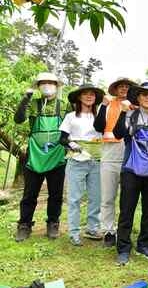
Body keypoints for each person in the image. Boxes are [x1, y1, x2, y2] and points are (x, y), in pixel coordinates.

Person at [113, 82, 148, 266]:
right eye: (144, 94)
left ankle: (144, 244)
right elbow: (118, 133)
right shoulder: (130, 115)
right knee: (127, 210)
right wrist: (122, 112)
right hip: (131, 170)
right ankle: (123, 249)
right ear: (138, 97)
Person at [14, 72, 67, 242]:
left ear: (56, 86)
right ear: (38, 86)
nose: (47, 85)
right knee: (30, 194)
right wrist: (26, 97)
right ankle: (24, 225)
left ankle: (53, 223)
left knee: (56, 194)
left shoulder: (65, 105)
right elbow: (18, 119)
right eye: (43, 83)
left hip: (57, 156)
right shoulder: (33, 104)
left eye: (50, 83)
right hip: (35, 156)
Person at [93, 77, 137, 247]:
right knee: (107, 196)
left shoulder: (137, 107)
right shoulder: (109, 104)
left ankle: (124, 231)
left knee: (127, 199)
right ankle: (109, 231)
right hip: (109, 154)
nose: (124, 89)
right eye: (121, 86)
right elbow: (98, 126)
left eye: (127, 87)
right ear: (116, 89)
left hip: (129, 155)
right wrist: (103, 105)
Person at [59, 84, 105, 246]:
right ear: (79, 97)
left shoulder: (100, 116)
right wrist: (73, 146)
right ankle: (73, 232)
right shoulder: (71, 117)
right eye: (85, 94)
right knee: (74, 197)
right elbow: (62, 138)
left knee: (96, 196)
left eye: (92, 94)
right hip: (77, 160)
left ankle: (93, 228)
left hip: (97, 160)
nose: (89, 96)